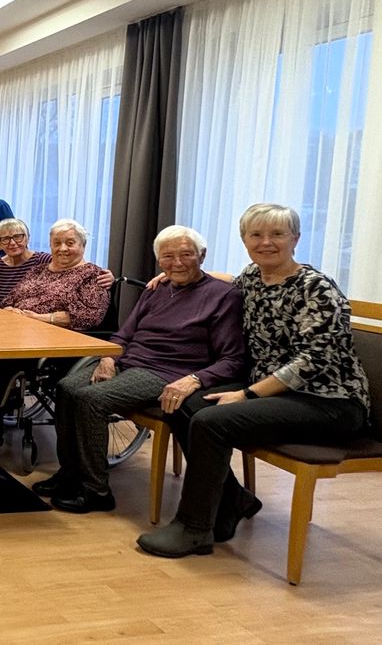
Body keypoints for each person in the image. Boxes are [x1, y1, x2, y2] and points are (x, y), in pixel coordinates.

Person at [137, 204, 370, 558]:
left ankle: (195, 528)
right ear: (244, 240)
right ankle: (233, 501)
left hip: (328, 402)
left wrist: (246, 394)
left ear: (296, 239)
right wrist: (174, 272)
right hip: (276, 396)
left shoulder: (316, 289)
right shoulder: (254, 277)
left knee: (211, 421)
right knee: (182, 404)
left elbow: (310, 362)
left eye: (277, 234)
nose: (266, 242)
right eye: (256, 235)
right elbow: (226, 278)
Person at [36, 226, 246, 514]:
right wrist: (108, 358)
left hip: (167, 371)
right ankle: (70, 472)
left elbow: (233, 357)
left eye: (186, 254)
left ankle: (95, 489)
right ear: (159, 260)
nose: (177, 263)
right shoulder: (157, 289)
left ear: (203, 256)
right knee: (66, 388)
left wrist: (197, 380)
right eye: (168, 256)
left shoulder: (223, 296)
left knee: (91, 399)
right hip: (127, 360)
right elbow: (125, 332)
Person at [0, 219, 110, 452]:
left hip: (55, 340)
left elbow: (90, 316)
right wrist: (8, 310)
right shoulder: (39, 269)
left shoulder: (92, 275)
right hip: (16, 330)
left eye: (70, 243)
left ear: (83, 245)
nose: (63, 248)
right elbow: (11, 298)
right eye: (57, 243)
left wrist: (40, 319)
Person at [0, 218, 51, 308]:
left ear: (28, 238)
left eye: (18, 237)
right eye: (5, 239)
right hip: (2, 318)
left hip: (33, 318)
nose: (12, 243)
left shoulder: (43, 260)